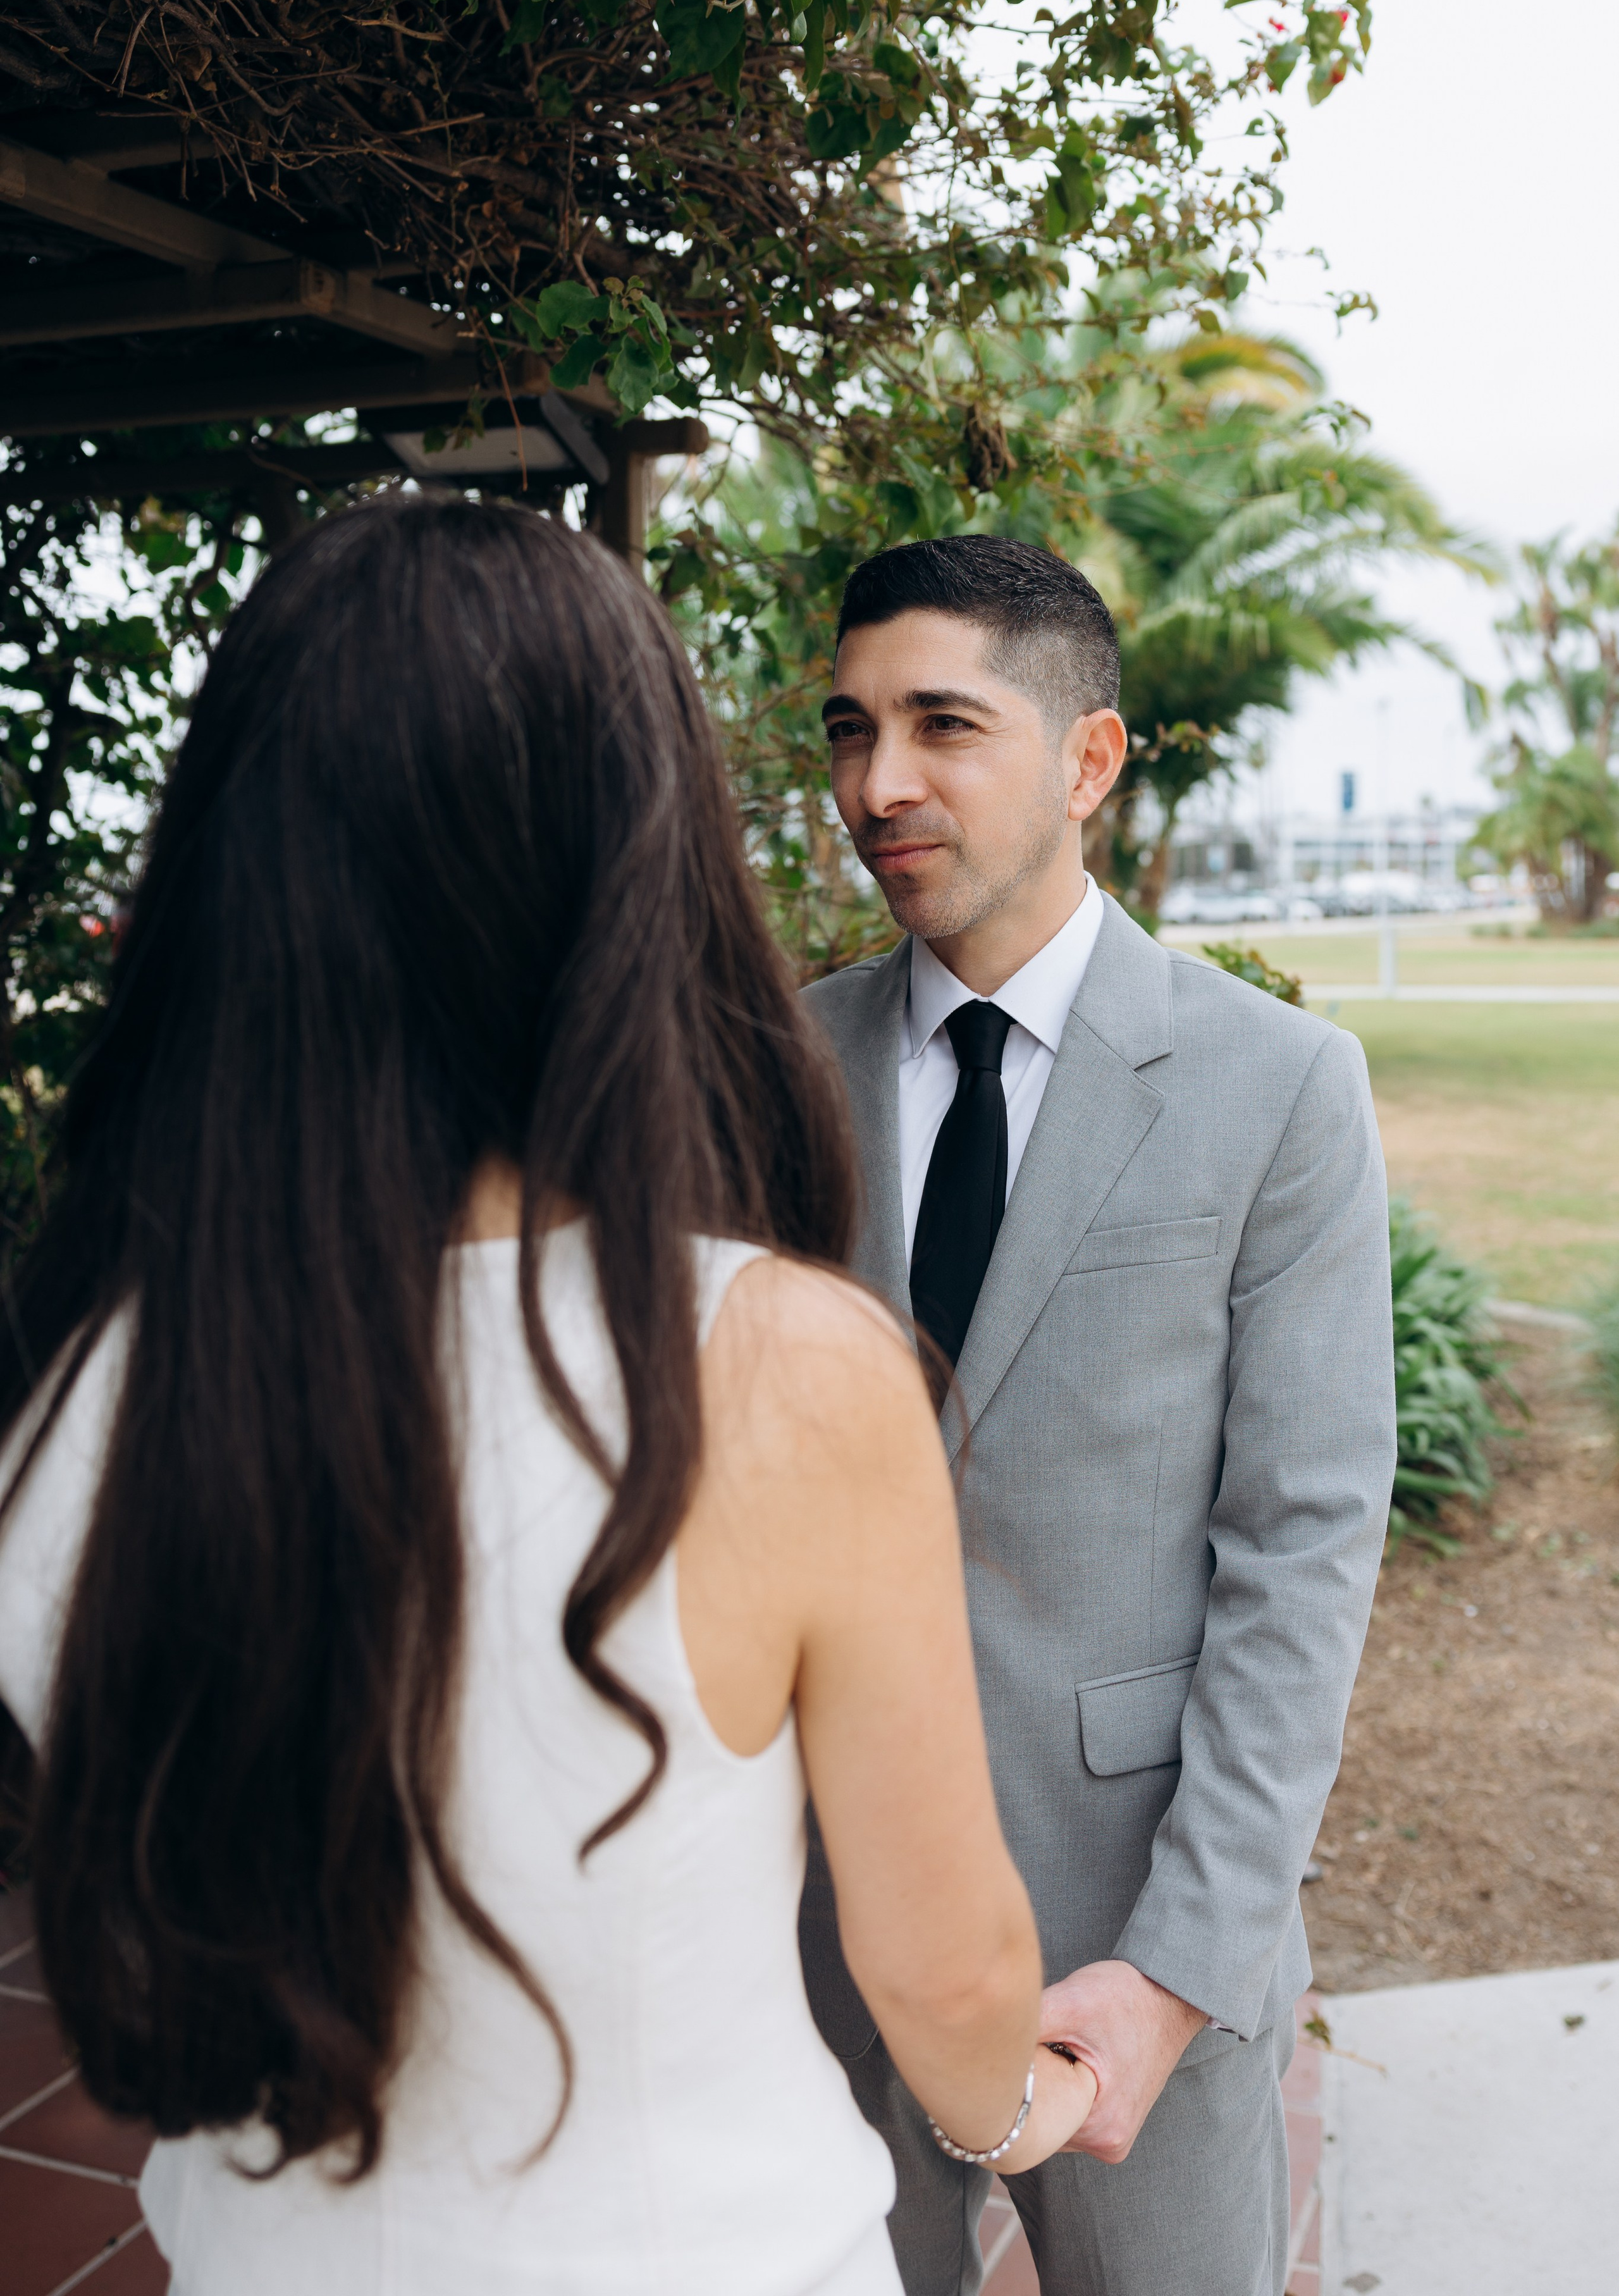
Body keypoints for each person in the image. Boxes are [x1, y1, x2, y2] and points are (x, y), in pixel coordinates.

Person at [0, 498, 1096, 2296]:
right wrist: (1018, 2115)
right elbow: (950, 1969)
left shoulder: (78, 1382)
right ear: (637, 860)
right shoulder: (775, 1369)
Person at [798, 534, 1396, 2296]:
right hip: (813, 1938)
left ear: (1090, 760)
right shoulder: (767, 1065)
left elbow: (1301, 1552)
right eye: (849, 728)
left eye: (940, 725)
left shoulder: (1279, 1089)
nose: (877, 784)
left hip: (1131, 1936)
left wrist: (1185, 1962)